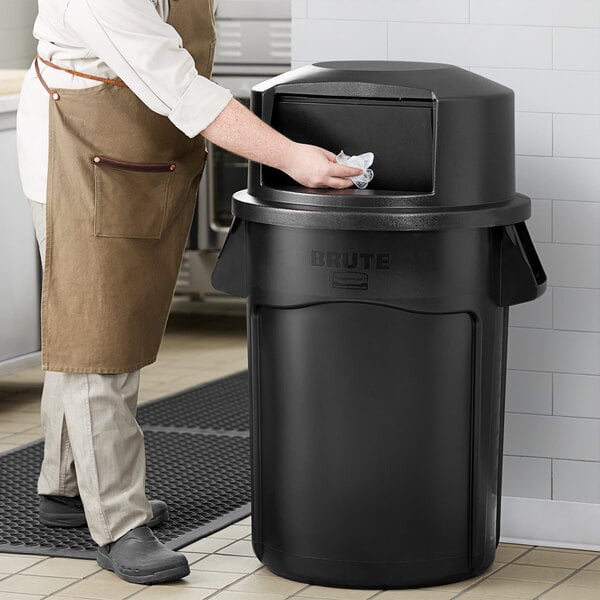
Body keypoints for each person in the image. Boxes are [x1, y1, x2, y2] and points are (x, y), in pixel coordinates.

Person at [16, 0, 361, 586]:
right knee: (99, 337)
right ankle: (121, 525)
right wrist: (290, 157)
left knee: (86, 322)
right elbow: (184, 91)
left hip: (135, 154)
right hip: (75, 156)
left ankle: (67, 487)